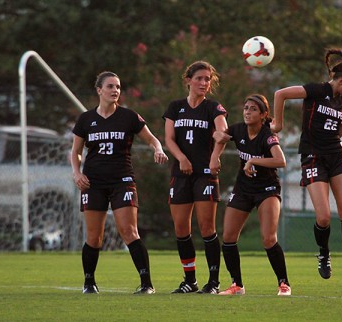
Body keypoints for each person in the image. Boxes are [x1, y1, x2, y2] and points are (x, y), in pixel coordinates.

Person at [272, 48, 342, 290]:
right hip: (312, 157)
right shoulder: (315, 90)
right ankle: (324, 253)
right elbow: (280, 93)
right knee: (323, 216)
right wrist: (278, 123)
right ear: (341, 80)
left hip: (336, 156)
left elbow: (336, 133)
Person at [71, 71, 168, 294]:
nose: (115, 90)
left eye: (118, 87)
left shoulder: (129, 117)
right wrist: (77, 173)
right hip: (93, 183)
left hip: (122, 181)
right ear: (99, 90)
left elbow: (152, 139)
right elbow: (76, 152)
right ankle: (89, 283)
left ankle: (146, 284)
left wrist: (158, 148)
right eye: (110, 86)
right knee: (94, 236)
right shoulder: (86, 119)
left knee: (129, 231)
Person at [213, 94, 292, 296]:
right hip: (243, 189)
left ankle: (284, 283)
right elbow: (220, 136)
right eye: (246, 108)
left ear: (264, 114)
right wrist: (215, 154)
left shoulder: (267, 135)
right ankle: (237, 285)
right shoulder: (238, 129)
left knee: (268, 239)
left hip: (267, 190)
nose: (248, 112)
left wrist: (253, 161)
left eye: (253, 109)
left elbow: (280, 161)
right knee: (228, 237)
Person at [163, 61, 228, 294]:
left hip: (205, 175)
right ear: (188, 80)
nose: (203, 83)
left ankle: (213, 282)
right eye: (199, 78)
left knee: (207, 227)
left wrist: (216, 152)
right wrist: (181, 158)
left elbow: (221, 132)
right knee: (181, 228)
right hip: (180, 174)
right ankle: (189, 280)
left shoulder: (213, 107)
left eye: (207, 79)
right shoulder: (175, 107)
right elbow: (169, 138)